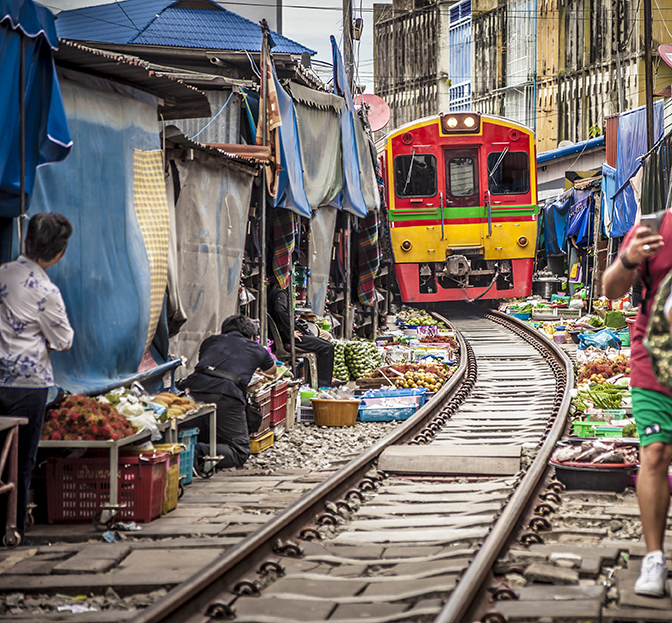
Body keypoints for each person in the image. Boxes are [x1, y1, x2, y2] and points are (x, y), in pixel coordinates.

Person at [602, 211, 669, 597]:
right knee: (656, 452)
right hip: (654, 362)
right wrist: (629, 258)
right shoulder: (656, 226)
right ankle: (654, 558)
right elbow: (611, 288)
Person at [0, 213, 74, 541]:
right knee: (21, 458)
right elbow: (63, 340)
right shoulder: (45, 290)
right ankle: (11, 528)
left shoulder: (2, 273)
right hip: (27, 385)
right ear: (58, 252)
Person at [177, 315, 276, 470]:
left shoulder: (210, 341)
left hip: (191, 390)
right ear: (251, 336)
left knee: (195, 430)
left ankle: (181, 451)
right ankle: (194, 453)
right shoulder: (257, 349)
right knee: (240, 451)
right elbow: (272, 370)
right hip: (226, 394)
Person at [268, 283, 336, 388]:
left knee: (324, 342)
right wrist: (290, 332)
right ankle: (323, 384)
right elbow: (280, 310)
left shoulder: (276, 292)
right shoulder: (279, 293)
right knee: (327, 347)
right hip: (289, 338)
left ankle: (315, 381)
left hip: (289, 335)